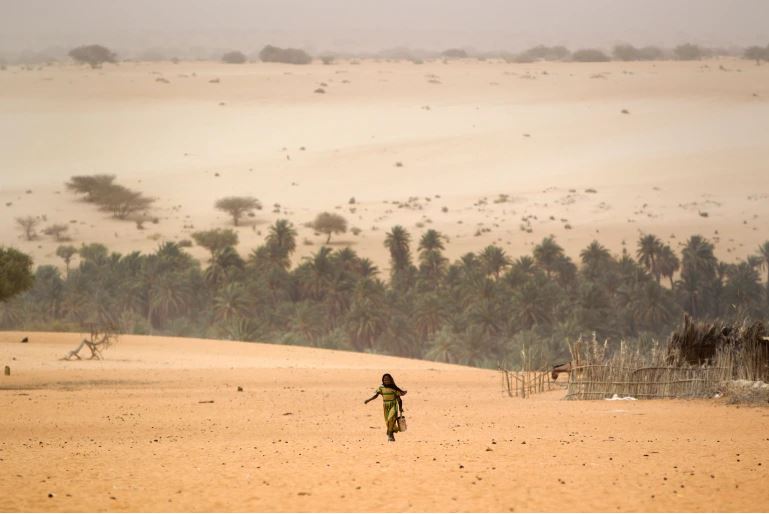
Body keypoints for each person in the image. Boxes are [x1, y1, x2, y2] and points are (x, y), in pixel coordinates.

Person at [364, 373, 407, 442]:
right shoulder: (381, 387)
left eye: (388, 379)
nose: (386, 381)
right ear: (382, 380)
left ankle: (389, 434)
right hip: (385, 406)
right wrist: (368, 400)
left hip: (393, 405)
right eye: (385, 379)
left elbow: (399, 399)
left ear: (391, 380)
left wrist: (400, 408)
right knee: (388, 422)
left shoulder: (394, 388)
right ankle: (391, 434)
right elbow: (376, 395)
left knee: (391, 418)